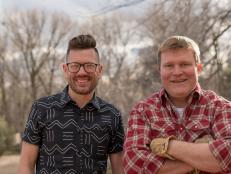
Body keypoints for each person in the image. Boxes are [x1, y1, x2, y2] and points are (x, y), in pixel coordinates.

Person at [123, 35, 231, 174]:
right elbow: (134, 166)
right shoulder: (143, 111)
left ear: (199, 68)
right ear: (160, 70)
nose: (177, 72)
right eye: (169, 66)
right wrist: (203, 158)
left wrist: (167, 146)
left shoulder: (220, 107)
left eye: (184, 64)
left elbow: (228, 155)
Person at [18, 34, 124, 174]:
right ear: (65, 69)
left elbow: (120, 170)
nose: (82, 72)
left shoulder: (112, 115)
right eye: (75, 66)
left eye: (89, 66)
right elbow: (25, 166)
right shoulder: (41, 108)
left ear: (99, 70)